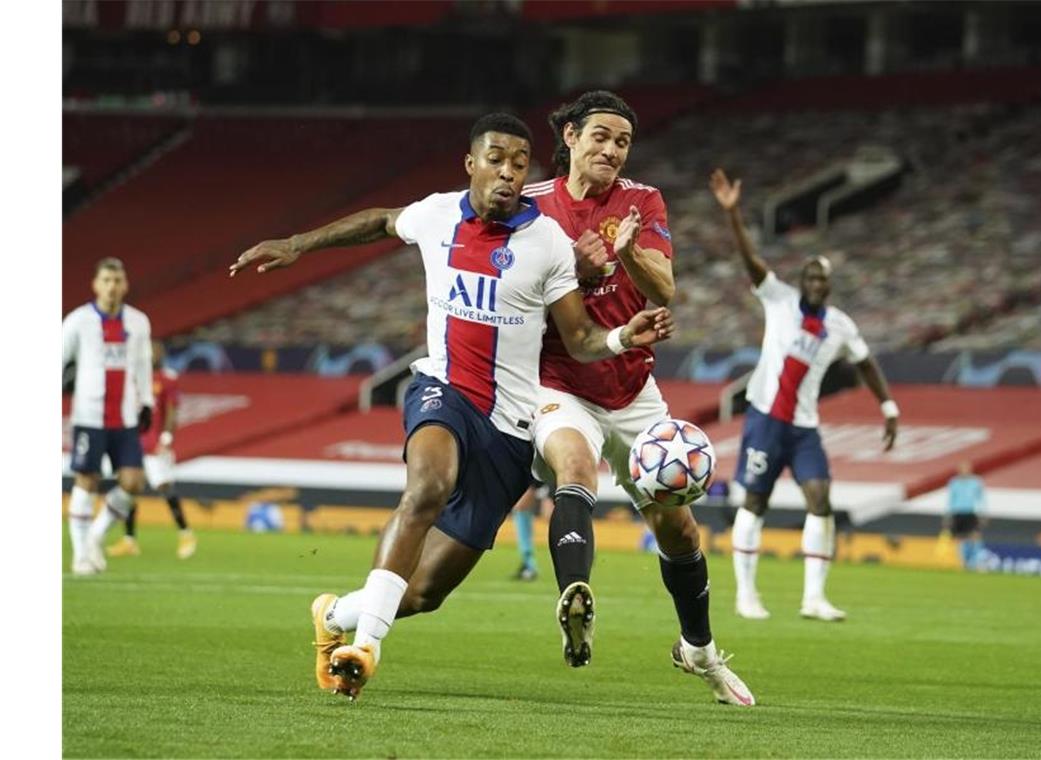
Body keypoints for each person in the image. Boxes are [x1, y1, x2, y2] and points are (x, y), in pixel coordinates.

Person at [229, 113, 674, 701]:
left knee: (424, 593)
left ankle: (336, 616)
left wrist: (624, 337)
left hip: (511, 431)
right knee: (427, 487)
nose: (509, 172)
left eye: (520, 163)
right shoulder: (438, 214)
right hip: (444, 390)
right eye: (496, 159)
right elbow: (381, 222)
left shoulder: (546, 244)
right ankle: (365, 649)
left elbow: (582, 340)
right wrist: (297, 244)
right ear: (472, 164)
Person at [522, 91, 754, 706]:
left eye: (622, 141)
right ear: (570, 136)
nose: (612, 150)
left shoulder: (641, 201)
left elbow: (666, 288)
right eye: (600, 136)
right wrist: (569, 265)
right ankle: (576, 597)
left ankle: (698, 651)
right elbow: (508, 294)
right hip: (559, 379)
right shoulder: (529, 208)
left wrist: (626, 252)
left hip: (630, 385)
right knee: (575, 468)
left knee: (677, 529)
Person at [709, 168, 900, 622]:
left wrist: (888, 406)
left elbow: (866, 362)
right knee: (754, 502)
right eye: (810, 276)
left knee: (821, 499)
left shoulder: (839, 323)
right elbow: (750, 260)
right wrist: (733, 215)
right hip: (765, 419)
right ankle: (746, 594)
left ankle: (814, 598)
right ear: (801, 279)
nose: (815, 283)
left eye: (822, 279)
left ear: (828, 286)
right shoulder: (778, 299)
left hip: (804, 427)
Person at [62, 257, 155, 576]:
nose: (112, 286)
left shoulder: (139, 322)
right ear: (95, 284)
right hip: (89, 415)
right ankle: (80, 556)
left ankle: (94, 540)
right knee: (87, 480)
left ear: (125, 285)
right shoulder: (77, 321)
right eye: (106, 280)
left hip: (125, 415)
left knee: (133, 481)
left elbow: (143, 365)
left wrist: (147, 402)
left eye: (117, 280)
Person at [106, 340, 197, 560]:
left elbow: (171, 411)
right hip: (133, 443)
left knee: (164, 486)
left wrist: (166, 437)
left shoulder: (167, 378)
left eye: (155, 352)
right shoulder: (135, 378)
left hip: (155, 444)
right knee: (128, 490)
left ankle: (186, 534)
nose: (151, 356)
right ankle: (129, 540)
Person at [943, 461, 987, 570]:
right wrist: (948, 515)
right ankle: (963, 563)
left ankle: (975, 562)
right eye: (962, 469)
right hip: (958, 512)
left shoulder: (976, 482)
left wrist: (983, 513)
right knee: (961, 538)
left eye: (966, 469)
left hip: (971, 512)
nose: (964, 471)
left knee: (975, 537)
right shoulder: (954, 482)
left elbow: (981, 499)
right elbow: (951, 500)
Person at [511, 481, 546, 581]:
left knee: (521, 508)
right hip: (533, 479)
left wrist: (536, 485)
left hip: (536, 479)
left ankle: (529, 565)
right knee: (521, 509)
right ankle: (528, 562)